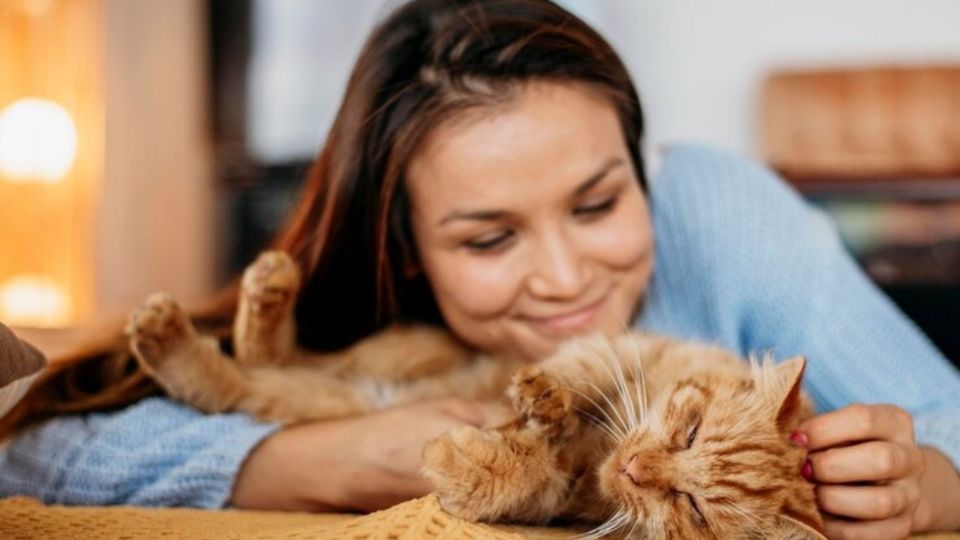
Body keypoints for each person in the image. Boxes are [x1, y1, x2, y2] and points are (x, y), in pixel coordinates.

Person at [1, 0, 958, 537]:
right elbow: (30, 452)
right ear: (405, 256)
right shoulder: (365, 306)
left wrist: (923, 482)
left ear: (639, 167)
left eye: (598, 203)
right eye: (489, 239)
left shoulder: (713, 209)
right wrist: (327, 462)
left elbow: (945, 419)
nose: (565, 277)